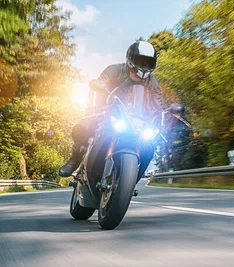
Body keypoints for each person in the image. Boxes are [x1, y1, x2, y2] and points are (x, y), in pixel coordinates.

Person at [58, 40, 165, 177]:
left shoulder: (152, 82)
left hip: (135, 119)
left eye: (148, 62)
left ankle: (131, 181)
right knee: (81, 129)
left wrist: (162, 117)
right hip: (105, 110)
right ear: (130, 59)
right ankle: (74, 160)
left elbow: (158, 104)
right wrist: (99, 86)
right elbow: (101, 81)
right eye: (140, 61)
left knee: (149, 146)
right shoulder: (115, 70)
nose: (143, 66)